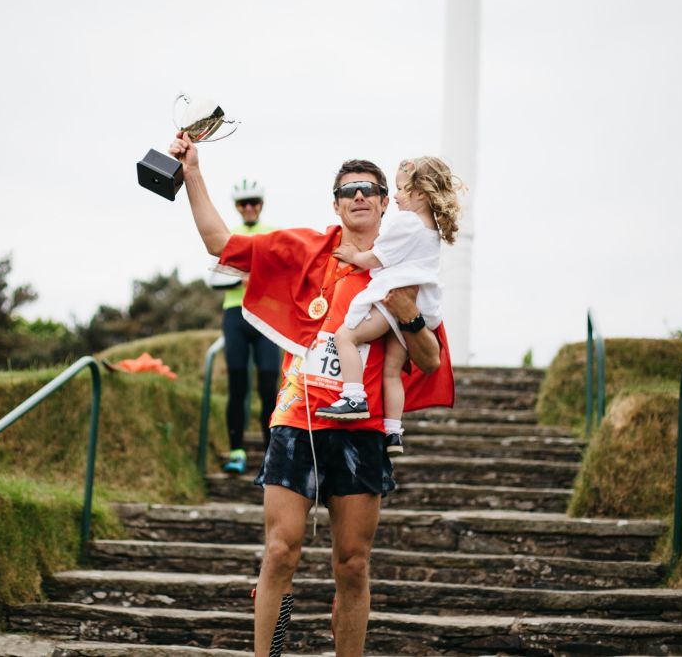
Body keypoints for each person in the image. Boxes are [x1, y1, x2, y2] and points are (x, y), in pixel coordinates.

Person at [169, 131, 452, 656]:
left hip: (362, 428)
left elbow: (430, 358)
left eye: (370, 188)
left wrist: (406, 308)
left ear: (389, 202)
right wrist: (191, 172)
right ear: (336, 202)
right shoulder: (306, 248)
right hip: (298, 418)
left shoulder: (406, 262)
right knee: (280, 551)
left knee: (353, 563)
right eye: (348, 190)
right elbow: (219, 243)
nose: (359, 196)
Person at [316, 156, 462, 455]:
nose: (395, 196)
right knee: (392, 371)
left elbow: (377, 257)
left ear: (419, 193)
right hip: (422, 301)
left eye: (399, 188)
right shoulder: (431, 227)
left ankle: (353, 396)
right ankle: (394, 431)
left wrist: (353, 257)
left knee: (346, 335)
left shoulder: (407, 221)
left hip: (395, 298)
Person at [217, 179, 280, 474]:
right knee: (237, 386)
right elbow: (214, 278)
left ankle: (271, 454)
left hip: (266, 315)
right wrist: (240, 278)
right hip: (235, 314)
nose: (250, 208)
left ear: (262, 204)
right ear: (236, 207)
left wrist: (254, 276)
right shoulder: (229, 234)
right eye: (243, 203)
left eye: (254, 202)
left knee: (269, 387)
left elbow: (283, 273)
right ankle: (237, 451)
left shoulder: (273, 233)